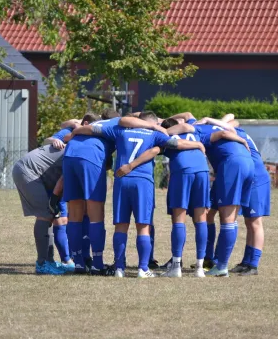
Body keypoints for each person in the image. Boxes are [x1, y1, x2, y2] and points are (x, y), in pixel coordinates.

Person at [80, 111, 205, 278]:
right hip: (143, 181)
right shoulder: (155, 134)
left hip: (122, 179)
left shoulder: (120, 130)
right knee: (143, 226)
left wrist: (75, 132)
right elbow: (179, 143)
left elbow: (92, 129)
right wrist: (197, 145)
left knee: (121, 226)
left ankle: (119, 268)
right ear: (153, 122)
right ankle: (143, 268)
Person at [192, 116, 254, 277]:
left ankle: (221, 266)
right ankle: (217, 262)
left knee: (227, 218)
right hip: (248, 163)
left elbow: (222, 135)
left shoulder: (198, 132)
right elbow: (231, 123)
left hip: (232, 164)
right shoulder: (216, 126)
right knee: (229, 217)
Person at [61, 112, 116, 275]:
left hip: (70, 156)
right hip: (91, 156)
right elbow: (107, 165)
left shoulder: (88, 127)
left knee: (75, 214)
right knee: (96, 213)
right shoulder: (114, 128)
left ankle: (78, 263)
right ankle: (97, 263)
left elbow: (65, 136)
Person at [159, 118, 211, 278]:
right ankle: (200, 267)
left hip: (183, 171)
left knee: (179, 218)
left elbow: (175, 141)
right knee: (201, 218)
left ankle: (176, 266)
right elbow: (187, 122)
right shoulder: (195, 132)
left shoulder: (165, 135)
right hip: (203, 170)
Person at [11, 144, 69, 275]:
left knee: (49, 214)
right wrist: (54, 199)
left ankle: (49, 261)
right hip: (29, 171)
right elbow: (63, 180)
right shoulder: (78, 151)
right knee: (45, 214)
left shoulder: (79, 145)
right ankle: (42, 264)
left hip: (32, 171)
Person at [229, 126, 271, 276]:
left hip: (257, 179)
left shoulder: (235, 132)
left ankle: (253, 265)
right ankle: (246, 261)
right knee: (249, 222)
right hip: (250, 179)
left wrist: (208, 120)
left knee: (255, 222)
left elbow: (232, 117)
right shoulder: (236, 131)